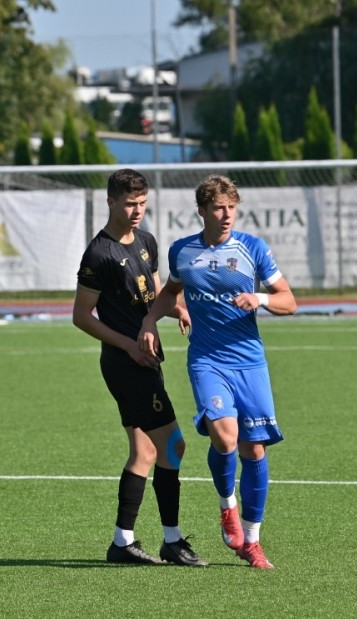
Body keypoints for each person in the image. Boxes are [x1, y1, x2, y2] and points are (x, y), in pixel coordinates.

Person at [139, 174, 297, 569]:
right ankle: (228, 506)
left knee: (254, 449)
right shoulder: (183, 251)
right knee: (225, 438)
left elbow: (289, 301)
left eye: (231, 208)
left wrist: (259, 298)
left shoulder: (252, 248)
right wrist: (150, 320)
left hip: (249, 362)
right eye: (218, 208)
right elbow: (170, 291)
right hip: (207, 359)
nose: (226, 215)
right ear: (202, 211)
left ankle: (252, 541)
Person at [73, 168, 206, 567]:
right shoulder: (99, 254)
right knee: (174, 445)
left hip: (147, 357)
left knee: (145, 452)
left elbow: (156, 293)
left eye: (142, 203)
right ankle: (172, 540)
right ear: (111, 202)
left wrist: (178, 309)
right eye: (129, 204)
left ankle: (123, 543)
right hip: (125, 363)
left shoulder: (146, 241)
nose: (136, 211)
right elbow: (81, 316)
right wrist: (128, 345)